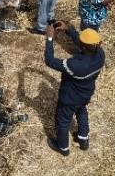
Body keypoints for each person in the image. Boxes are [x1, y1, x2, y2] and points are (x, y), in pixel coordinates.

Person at [43, 23, 105, 156]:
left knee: (63, 121)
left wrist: (49, 38)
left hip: (69, 98)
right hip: (86, 94)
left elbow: (50, 61)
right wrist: (68, 30)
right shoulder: (100, 55)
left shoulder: (75, 65)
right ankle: (83, 139)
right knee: (82, 111)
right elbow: (83, 42)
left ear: (83, 47)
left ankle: (63, 147)